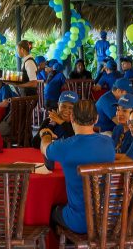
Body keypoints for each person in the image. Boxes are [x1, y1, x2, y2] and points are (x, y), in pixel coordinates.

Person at [41, 99, 116, 235]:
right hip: (110, 219)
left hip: (81, 222)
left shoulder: (65, 146)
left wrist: (45, 134)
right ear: (96, 119)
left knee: (50, 211)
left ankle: (70, 248)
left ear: (72, 118)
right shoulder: (108, 143)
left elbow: (44, 148)